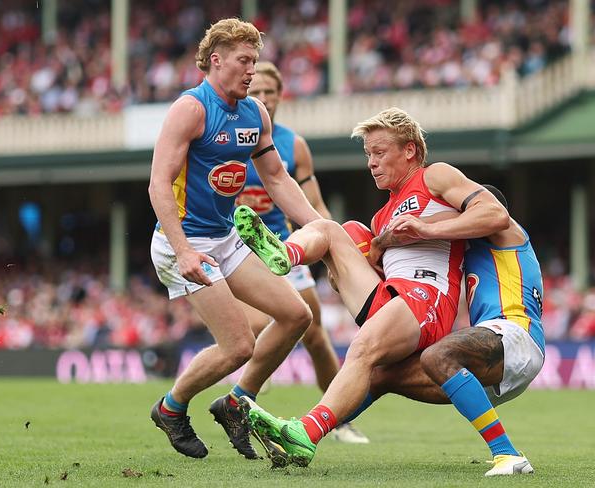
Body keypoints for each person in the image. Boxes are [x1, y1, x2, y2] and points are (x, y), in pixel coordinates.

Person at [233, 107, 509, 466]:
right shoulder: (383, 216)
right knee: (338, 229)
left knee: (362, 350)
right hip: (392, 296)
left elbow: (496, 214)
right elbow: (368, 272)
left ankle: (303, 432)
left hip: (428, 297)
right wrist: (342, 272)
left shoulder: (435, 176)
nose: (371, 163)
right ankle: (285, 253)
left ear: (409, 150)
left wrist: (427, 229)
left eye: (379, 153)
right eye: (368, 155)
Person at [147, 18, 322, 460]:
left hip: (224, 237)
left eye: (255, 61)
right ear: (216, 60)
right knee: (240, 345)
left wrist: (318, 227)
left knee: (297, 315)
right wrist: (184, 250)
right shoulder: (190, 109)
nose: (251, 71)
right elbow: (158, 184)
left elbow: (278, 178)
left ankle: (234, 401)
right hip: (182, 242)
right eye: (244, 61)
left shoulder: (254, 113)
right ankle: (171, 408)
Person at [343, 184, 544, 476]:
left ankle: (507, 454)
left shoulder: (506, 228)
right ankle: (304, 432)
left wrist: (383, 240)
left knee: (438, 355)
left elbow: (440, 223)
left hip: (515, 334)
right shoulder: (470, 249)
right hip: (498, 355)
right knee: (381, 375)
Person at [235, 61, 368, 444]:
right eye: (256, 92)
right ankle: (248, 392)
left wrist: (335, 244)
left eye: (269, 93)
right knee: (256, 328)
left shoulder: (293, 146)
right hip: (235, 250)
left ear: (279, 98)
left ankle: (339, 419)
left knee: (315, 333)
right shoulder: (225, 137)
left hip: (282, 247)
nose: (262, 99)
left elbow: (316, 206)